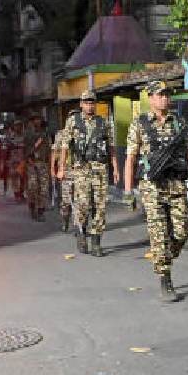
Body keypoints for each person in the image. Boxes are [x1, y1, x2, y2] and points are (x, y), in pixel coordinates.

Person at [123, 80, 188, 301]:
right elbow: (130, 158)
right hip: (152, 187)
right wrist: (128, 191)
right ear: (150, 98)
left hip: (176, 184)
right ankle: (165, 277)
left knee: (181, 232)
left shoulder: (178, 123)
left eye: (167, 95)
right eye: (160, 95)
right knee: (158, 235)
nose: (165, 98)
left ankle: (166, 256)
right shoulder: (139, 124)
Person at [59, 90, 118, 256]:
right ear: (81, 104)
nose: (89, 105)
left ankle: (96, 242)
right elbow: (65, 146)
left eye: (92, 102)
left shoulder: (103, 122)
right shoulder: (73, 121)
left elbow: (111, 147)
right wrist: (62, 167)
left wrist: (115, 168)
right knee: (83, 205)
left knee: (100, 207)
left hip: (100, 168)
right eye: (86, 102)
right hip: (81, 168)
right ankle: (81, 233)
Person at [25, 116, 51, 222]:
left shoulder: (45, 134)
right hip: (32, 163)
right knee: (32, 187)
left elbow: (49, 150)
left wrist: (51, 164)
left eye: (39, 119)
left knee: (44, 189)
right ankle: (32, 205)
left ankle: (40, 210)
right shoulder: (28, 135)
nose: (37, 121)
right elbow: (25, 149)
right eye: (35, 119)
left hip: (43, 163)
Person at [51, 122, 74, 232]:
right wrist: (53, 168)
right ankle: (65, 220)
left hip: (81, 171)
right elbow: (55, 152)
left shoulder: (84, 132)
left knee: (81, 201)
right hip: (66, 171)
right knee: (66, 200)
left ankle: (79, 227)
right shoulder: (61, 134)